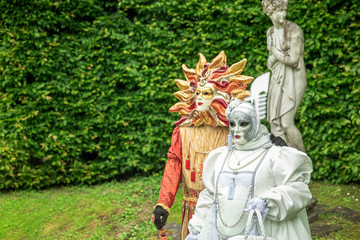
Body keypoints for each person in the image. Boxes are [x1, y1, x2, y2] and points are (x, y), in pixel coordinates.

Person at [152, 51, 256, 239]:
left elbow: (253, 156)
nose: (199, 97)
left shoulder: (233, 130)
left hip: (226, 210)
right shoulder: (183, 130)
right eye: (197, 92)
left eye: (206, 92)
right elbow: (174, 164)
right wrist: (163, 203)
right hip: (191, 209)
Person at [185, 97, 313, 240]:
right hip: (218, 232)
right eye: (232, 124)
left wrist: (268, 202)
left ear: (256, 123)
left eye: (244, 123)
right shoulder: (220, 157)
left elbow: (298, 190)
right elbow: (209, 196)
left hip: (266, 231)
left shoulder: (275, 156)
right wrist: (197, 229)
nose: (237, 129)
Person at [263, 0, 307, 152]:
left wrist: (273, 51)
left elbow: (293, 60)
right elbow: (273, 60)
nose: (283, 14)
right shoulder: (270, 32)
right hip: (278, 77)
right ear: (270, 13)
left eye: (284, 10)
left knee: (287, 122)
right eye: (278, 11)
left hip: (294, 78)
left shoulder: (294, 30)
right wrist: (271, 58)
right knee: (275, 123)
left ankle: (301, 160)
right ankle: (282, 159)